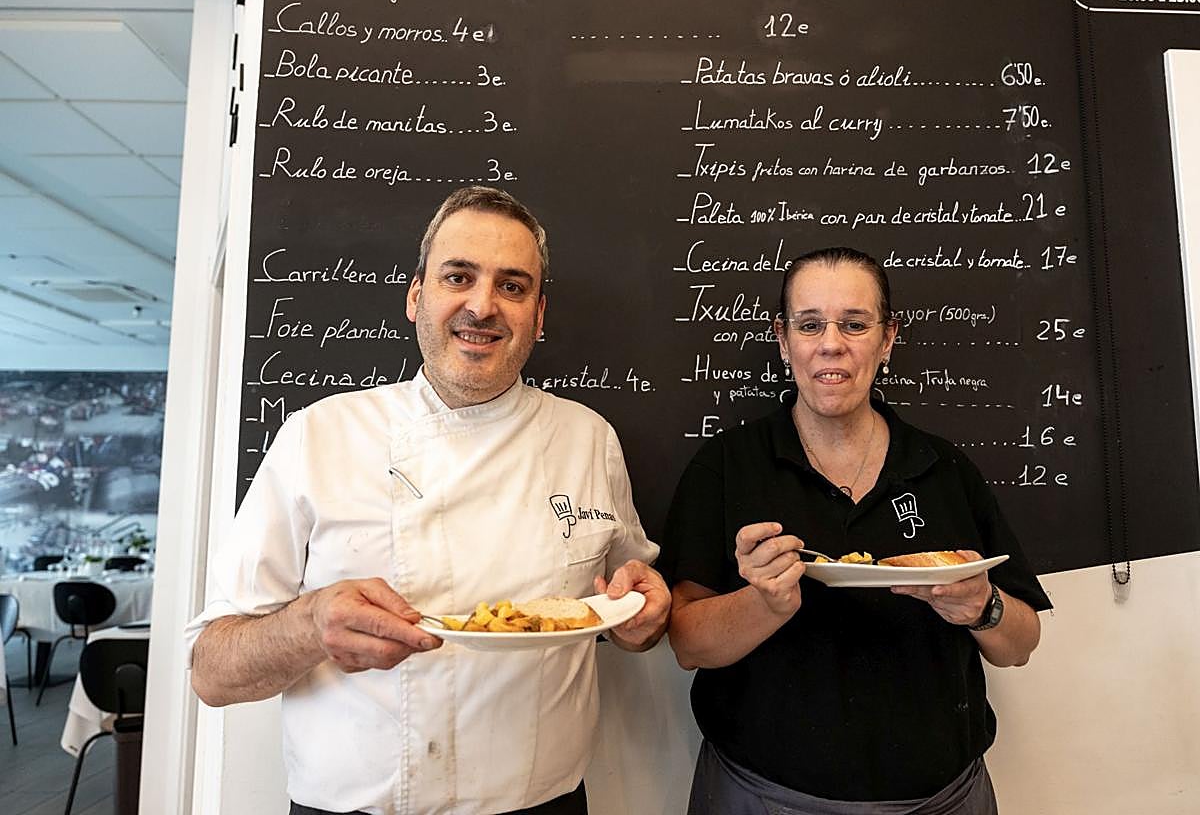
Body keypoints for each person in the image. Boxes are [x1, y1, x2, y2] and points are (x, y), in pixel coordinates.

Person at [186, 187, 670, 815]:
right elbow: (210, 672)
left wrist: (644, 615)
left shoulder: (589, 439)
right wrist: (309, 627)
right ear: (417, 296)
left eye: (513, 286)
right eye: (458, 277)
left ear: (539, 315)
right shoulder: (317, 435)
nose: (482, 305)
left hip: (541, 804)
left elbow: (629, 607)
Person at [659, 247, 1051, 815]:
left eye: (855, 324)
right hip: (764, 796)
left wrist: (981, 606)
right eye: (810, 324)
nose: (831, 344)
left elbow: (1020, 645)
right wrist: (766, 603)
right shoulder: (727, 466)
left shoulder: (944, 469)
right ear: (783, 338)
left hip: (944, 799)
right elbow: (688, 643)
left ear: (887, 339)